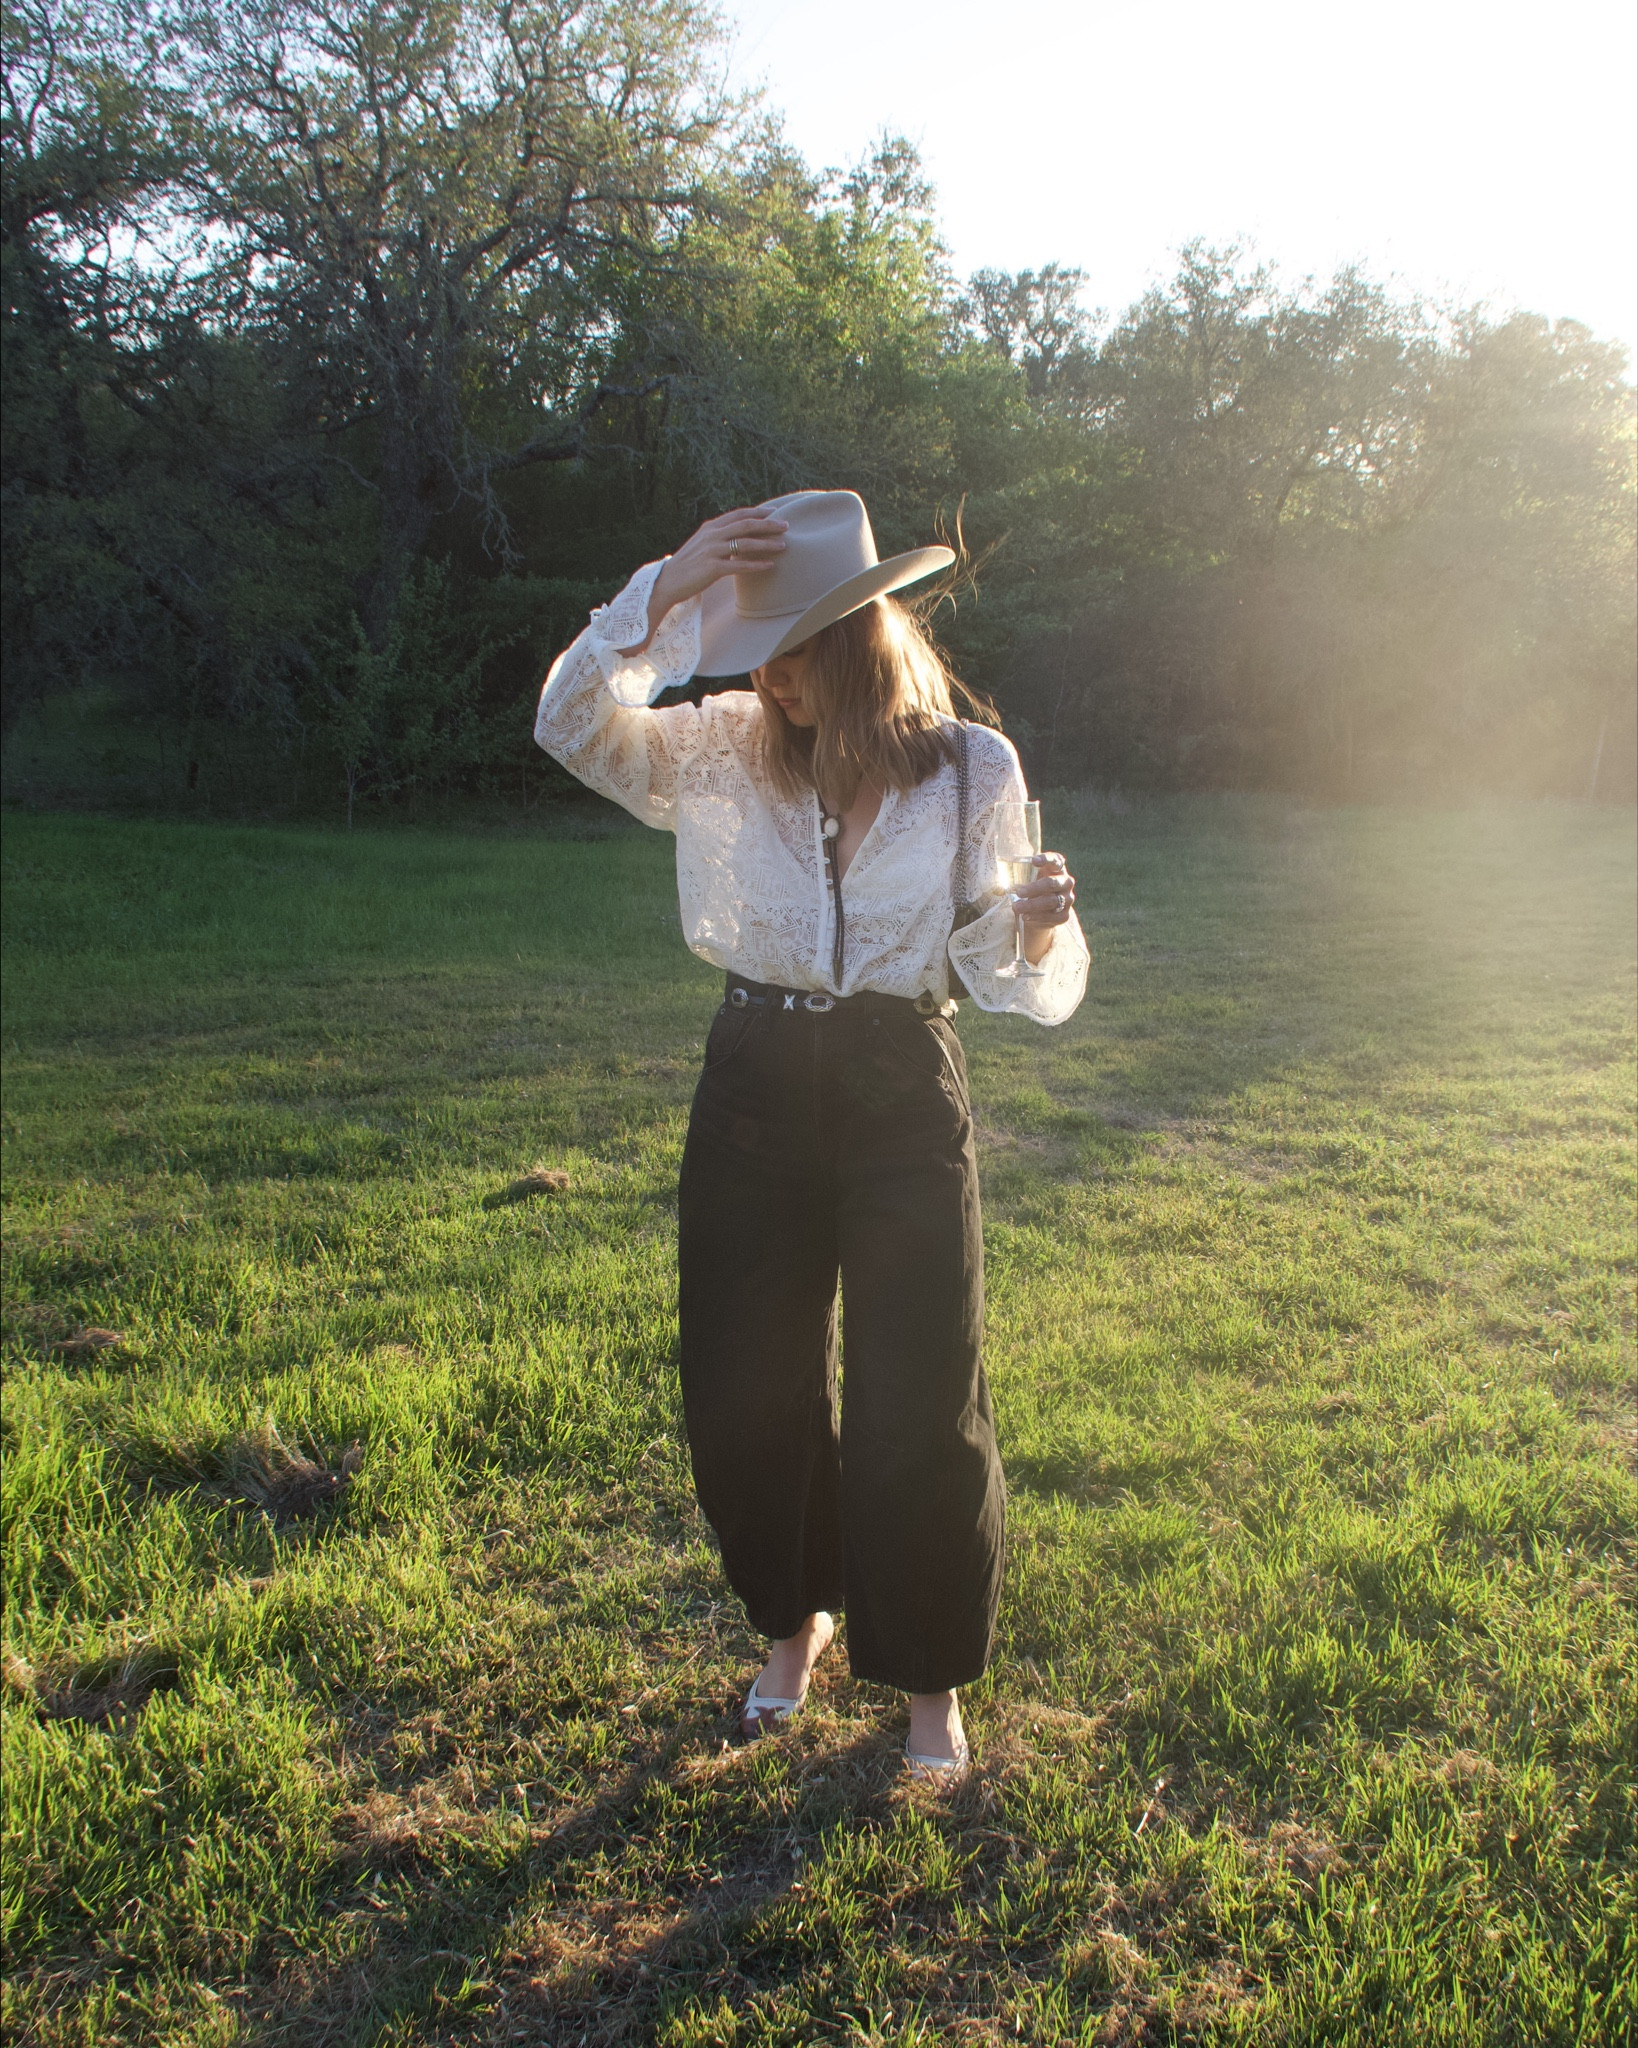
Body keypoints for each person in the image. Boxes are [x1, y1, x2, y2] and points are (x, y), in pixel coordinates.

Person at [534, 491, 1088, 1779]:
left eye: (792, 646)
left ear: (859, 634)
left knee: (916, 1394)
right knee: (744, 1385)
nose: (768, 674)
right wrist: (663, 595)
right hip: (755, 1081)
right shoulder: (719, 743)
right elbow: (570, 719)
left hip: (902, 1084)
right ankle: (795, 1623)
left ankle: (930, 1683)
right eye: (754, 648)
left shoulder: (971, 770)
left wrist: (1039, 929)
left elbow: (998, 962)